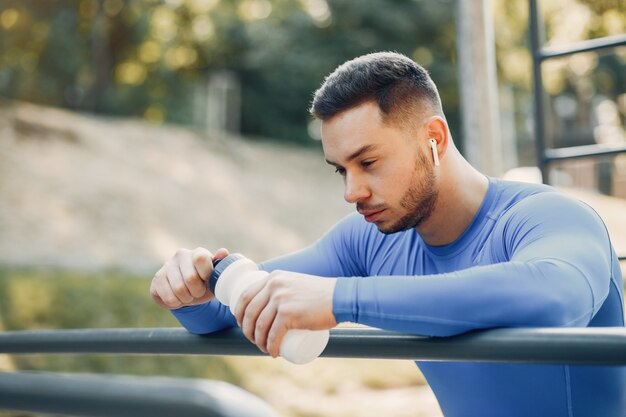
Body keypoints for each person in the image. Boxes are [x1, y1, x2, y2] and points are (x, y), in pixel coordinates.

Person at [150, 52, 625, 416]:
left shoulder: (550, 217)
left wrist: (342, 299)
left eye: (369, 162)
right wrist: (190, 290)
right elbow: (231, 313)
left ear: (433, 139)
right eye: (341, 171)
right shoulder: (367, 239)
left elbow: (552, 297)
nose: (352, 191)